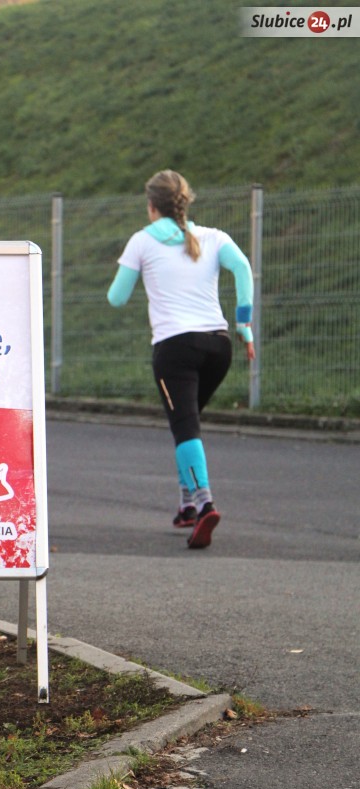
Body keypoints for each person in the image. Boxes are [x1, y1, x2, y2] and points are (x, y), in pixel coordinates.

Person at [107, 169, 255, 549]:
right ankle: (186, 505)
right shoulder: (213, 237)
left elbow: (116, 298)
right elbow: (242, 268)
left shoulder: (142, 241)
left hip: (175, 349)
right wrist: (244, 325)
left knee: (185, 427)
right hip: (218, 347)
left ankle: (205, 504)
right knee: (186, 424)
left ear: (152, 206)